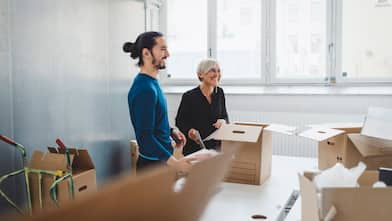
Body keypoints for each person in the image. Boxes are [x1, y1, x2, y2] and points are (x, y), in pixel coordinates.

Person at [124, 31, 195, 172]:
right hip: (152, 167)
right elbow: (145, 137)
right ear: (146, 53)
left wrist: (170, 131)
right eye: (162, 49)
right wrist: (176, 163)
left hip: (161, 162)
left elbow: (154, 121)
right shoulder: (145, 89)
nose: (167, 54)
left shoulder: (152, 83)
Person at [175, 58, 229, 155]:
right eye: (212, 70)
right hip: (195, 148)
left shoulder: (220, 92)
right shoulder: (189, 96)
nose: (217, 74)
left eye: (219, 71)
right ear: (201, 74)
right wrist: (189, 131)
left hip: (216, 147)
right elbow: (180, 121)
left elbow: (225, 116)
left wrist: (223, 121)